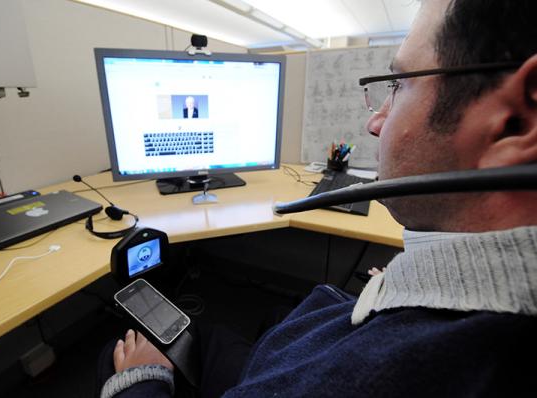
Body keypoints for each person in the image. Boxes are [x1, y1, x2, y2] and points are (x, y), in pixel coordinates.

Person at [99, 0, 537, 396]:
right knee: (210, 332)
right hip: (305, 342)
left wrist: (143, 382)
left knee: (121, 354)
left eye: (398, 84)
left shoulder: (394, 371)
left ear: (515, 121)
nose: (375, 123)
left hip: (286, 364)